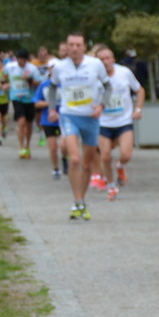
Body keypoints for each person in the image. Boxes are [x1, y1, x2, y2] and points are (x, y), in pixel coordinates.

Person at [48, 32, 110, 221]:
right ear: (66, 47)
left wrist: (101, 106)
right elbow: (51, 87)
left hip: (90, 117)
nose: (74, 48)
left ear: (84, 47)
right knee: (74, 159)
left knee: (87, 162)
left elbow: (108, 87)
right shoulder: (59, 67)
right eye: (71, 45)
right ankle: (76, 200)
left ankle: (81, 200)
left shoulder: (95, 64)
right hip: (69, 116)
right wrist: (52, 109)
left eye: (78, 45)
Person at [94, 44, 143, 197]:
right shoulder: (93, 77)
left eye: (108, 58)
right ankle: (111, 185)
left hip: (123, 121)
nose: (105, 61)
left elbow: (139, 89)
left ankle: (120, 165)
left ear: (113, 59)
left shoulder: (124, 72)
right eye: (101, 59)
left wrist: (138, 109)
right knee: (105, 156)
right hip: (103, 122)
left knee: (126, 154)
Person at [5, 49, 40, 158]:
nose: (21, 62)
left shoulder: (32, 69)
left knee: (29, 124)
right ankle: (21, 148)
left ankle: (27, 146)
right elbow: (3, 75)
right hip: (16, 98)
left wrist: (29, 80)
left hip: (29, 99)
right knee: (21, 122)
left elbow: (38, 82)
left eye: (23, 60)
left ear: (27, 60)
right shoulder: (10, 67)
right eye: (19, 59)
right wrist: (4, 84)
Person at [33, 70, 63, 177]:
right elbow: (36, 103)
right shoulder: (44, 85)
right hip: (48, 120)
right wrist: (50, 103)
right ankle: (55, 168)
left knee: (65, 146)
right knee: (53, 147)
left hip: (64, 119)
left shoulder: (66, 83)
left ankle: (65, 160)